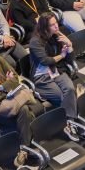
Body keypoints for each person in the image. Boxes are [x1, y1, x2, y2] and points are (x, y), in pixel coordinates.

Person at [28, 12, 80, 140]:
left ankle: (70, 122)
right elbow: (46, 61)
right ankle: (72, 121)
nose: (56, 27)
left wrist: (70, 45)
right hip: (41, 76)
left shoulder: (58, 36)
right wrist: (61, 55)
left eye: (56, 23)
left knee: (70, 89)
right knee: (62, 96)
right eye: (52, 25)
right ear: (45, 28)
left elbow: (70, 60)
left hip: (57, 72)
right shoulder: (35, 41)